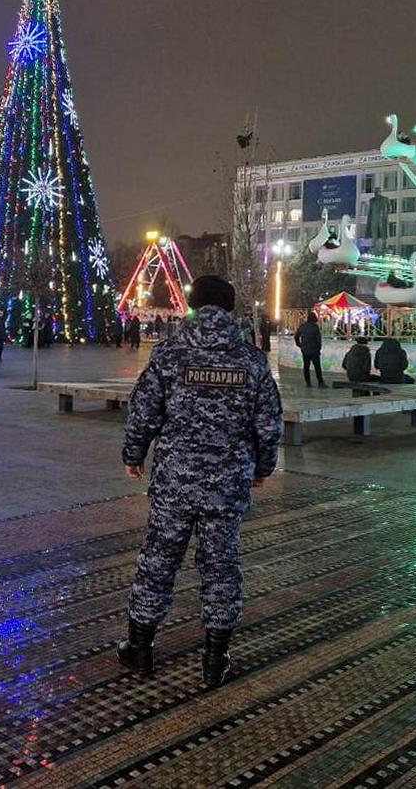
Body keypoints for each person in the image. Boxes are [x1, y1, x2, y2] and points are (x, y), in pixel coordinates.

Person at [116, 274, 282, 687]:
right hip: (226, 485)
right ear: (229, 309)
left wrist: (134, 456)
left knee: (157, 561)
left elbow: (143, 412)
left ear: (193, 306)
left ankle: (140, 650)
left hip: (175, 482)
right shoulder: (252, 360)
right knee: (221, 567)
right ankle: (214, 659)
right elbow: (268, 424)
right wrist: (263, 467)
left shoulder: (169, 354)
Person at [294, 311, 326, 388]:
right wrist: (318, 349)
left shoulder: (302, 326)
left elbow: (296, 336)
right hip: (314, 349)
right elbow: (318, 340)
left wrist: (299, 345)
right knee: (317, 367)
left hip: (305, 349)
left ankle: (308, 383)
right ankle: (320, 382)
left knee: (306, 366)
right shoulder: (315, 327)